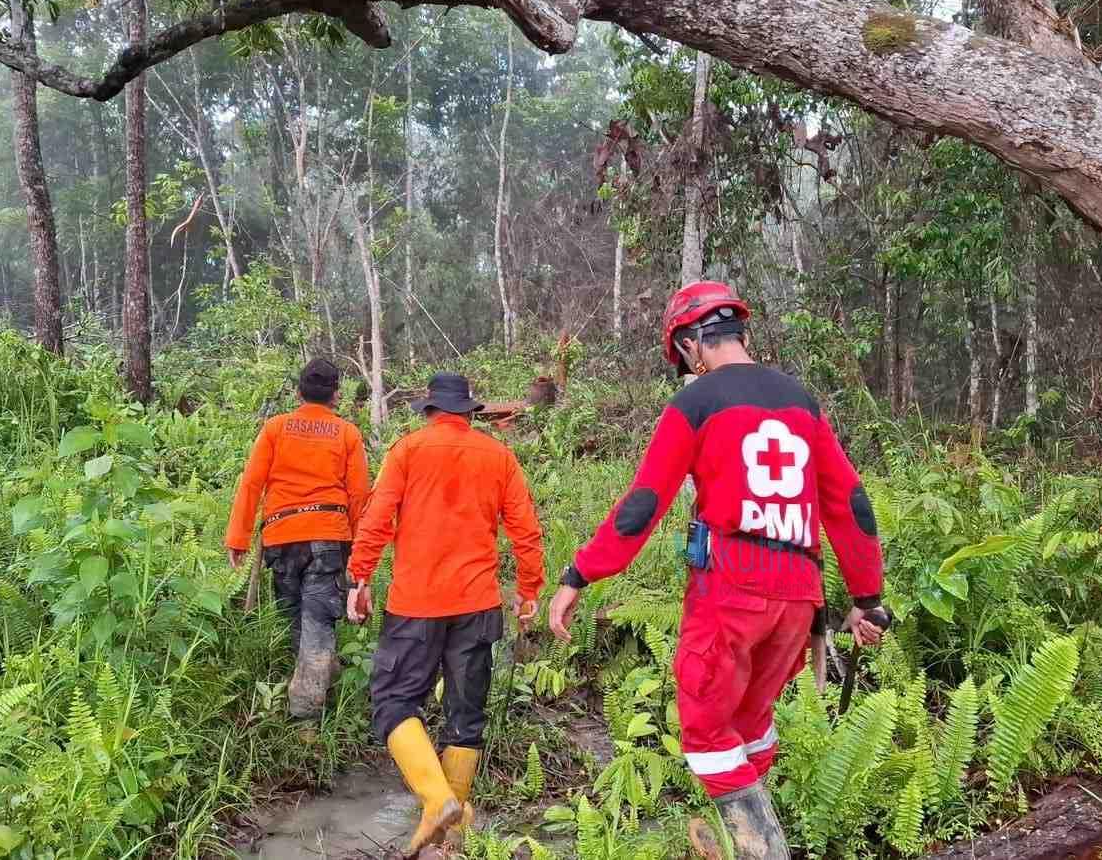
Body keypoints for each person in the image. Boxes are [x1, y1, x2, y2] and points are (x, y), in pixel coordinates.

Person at [547, 281, 887, 860]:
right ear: (739, 333)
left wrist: (580, 573)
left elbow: (642, 505)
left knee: (705, 732)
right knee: (750, 722)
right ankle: (746, 838)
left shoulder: (696, 403)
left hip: (731, 589)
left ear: (690, 344)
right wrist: (866, 597)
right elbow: (851, 503)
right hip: (798, 595)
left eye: (684, 358)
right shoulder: (802, 401)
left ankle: (762, 850)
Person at [347, 372, 545, 857]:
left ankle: (438, 804)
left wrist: (361, 576)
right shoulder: (498, 455)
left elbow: (377, 518)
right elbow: (525, 529)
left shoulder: (408, 450)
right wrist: (529, 591)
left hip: (415, 605)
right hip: (477, 605)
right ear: (468, 412)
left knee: (393, 701)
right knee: (466, 717)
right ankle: (450, 834)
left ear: (430, 410)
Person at [225, 358, 371, 720]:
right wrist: (358, 549)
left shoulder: (275, 428)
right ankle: (309, 713)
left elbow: (251, 483)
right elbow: (358, 496)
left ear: (297, 392)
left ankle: (310, 699)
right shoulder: (347, 433)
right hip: (328, 538)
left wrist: (238, 538)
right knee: (317, 622)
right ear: (336, 395)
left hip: (282, 537)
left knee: (295, 618)